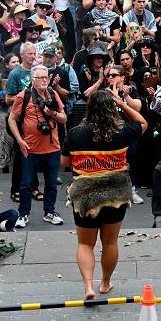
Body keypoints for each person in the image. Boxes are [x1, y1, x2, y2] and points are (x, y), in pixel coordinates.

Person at [62, 89, 148, 300]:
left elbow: (65, 163)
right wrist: (122, 102)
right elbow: (143, 123)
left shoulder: (74, 134)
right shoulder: (122, 132)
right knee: (110, 243)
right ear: (112, 109)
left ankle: (88, 286)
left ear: (89, 109)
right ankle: (105, 283)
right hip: (116, 193)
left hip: (84, 195)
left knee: (85, 244)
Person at [8, 65, 68, 228]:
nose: (44, 80)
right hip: (30, 147)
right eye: (41, 78)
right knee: (26, 184)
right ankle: (23, 214)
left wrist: (53, 114)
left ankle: (50, 212)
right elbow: (11, 119)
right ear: (33, 80)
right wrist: (20, 140)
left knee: (51, 183)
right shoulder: (23, 96)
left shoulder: (53, 94)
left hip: (52, 147)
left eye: (46, 77)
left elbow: (64, 118)